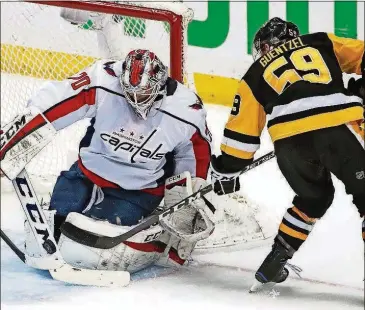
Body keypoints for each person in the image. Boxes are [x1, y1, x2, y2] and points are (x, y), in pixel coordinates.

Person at [0, 49, 215, 273]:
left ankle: (155, 237)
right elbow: (52, 104)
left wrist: (188, 194)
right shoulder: (103, 80)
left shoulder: (186, 110)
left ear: (160, 85)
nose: (135, 100)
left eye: (143, 94)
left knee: (90, 248)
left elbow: (194, 154)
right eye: (129, 92)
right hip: (87, 174)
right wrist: (12, 140)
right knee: (57, 224)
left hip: (139, 190)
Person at [210, 17, 364, 290]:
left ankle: (277, 257)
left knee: (313, 199)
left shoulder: (254, 73)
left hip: (289, 141)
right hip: (339, 126)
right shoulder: (321, 41)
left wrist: (227, 168)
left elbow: (240, 138)